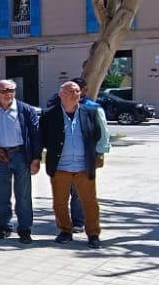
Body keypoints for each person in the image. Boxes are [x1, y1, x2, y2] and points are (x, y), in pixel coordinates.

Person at [38, 80, 110, 248]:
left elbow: (98, 134)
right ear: (61, 94)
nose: (74, 94)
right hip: (60, 166)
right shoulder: (49, 114)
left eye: (77, 91)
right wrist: (35, 159)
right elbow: (41, 138)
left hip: (83, 166)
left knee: (90, 202)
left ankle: (93, 234)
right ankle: (65, 231)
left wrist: (99, 154)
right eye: (70, 91)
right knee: (60, 202)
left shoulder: (90, 112)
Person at [0, 79, 40, 243]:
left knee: (23, 195)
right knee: (1, 195)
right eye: (4, 90)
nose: (8, 93)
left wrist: (36, 159)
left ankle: (25, 228)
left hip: (21, 155)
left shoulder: (25, 110)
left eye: (11, 90)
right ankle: (4, 226)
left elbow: (35, 136)